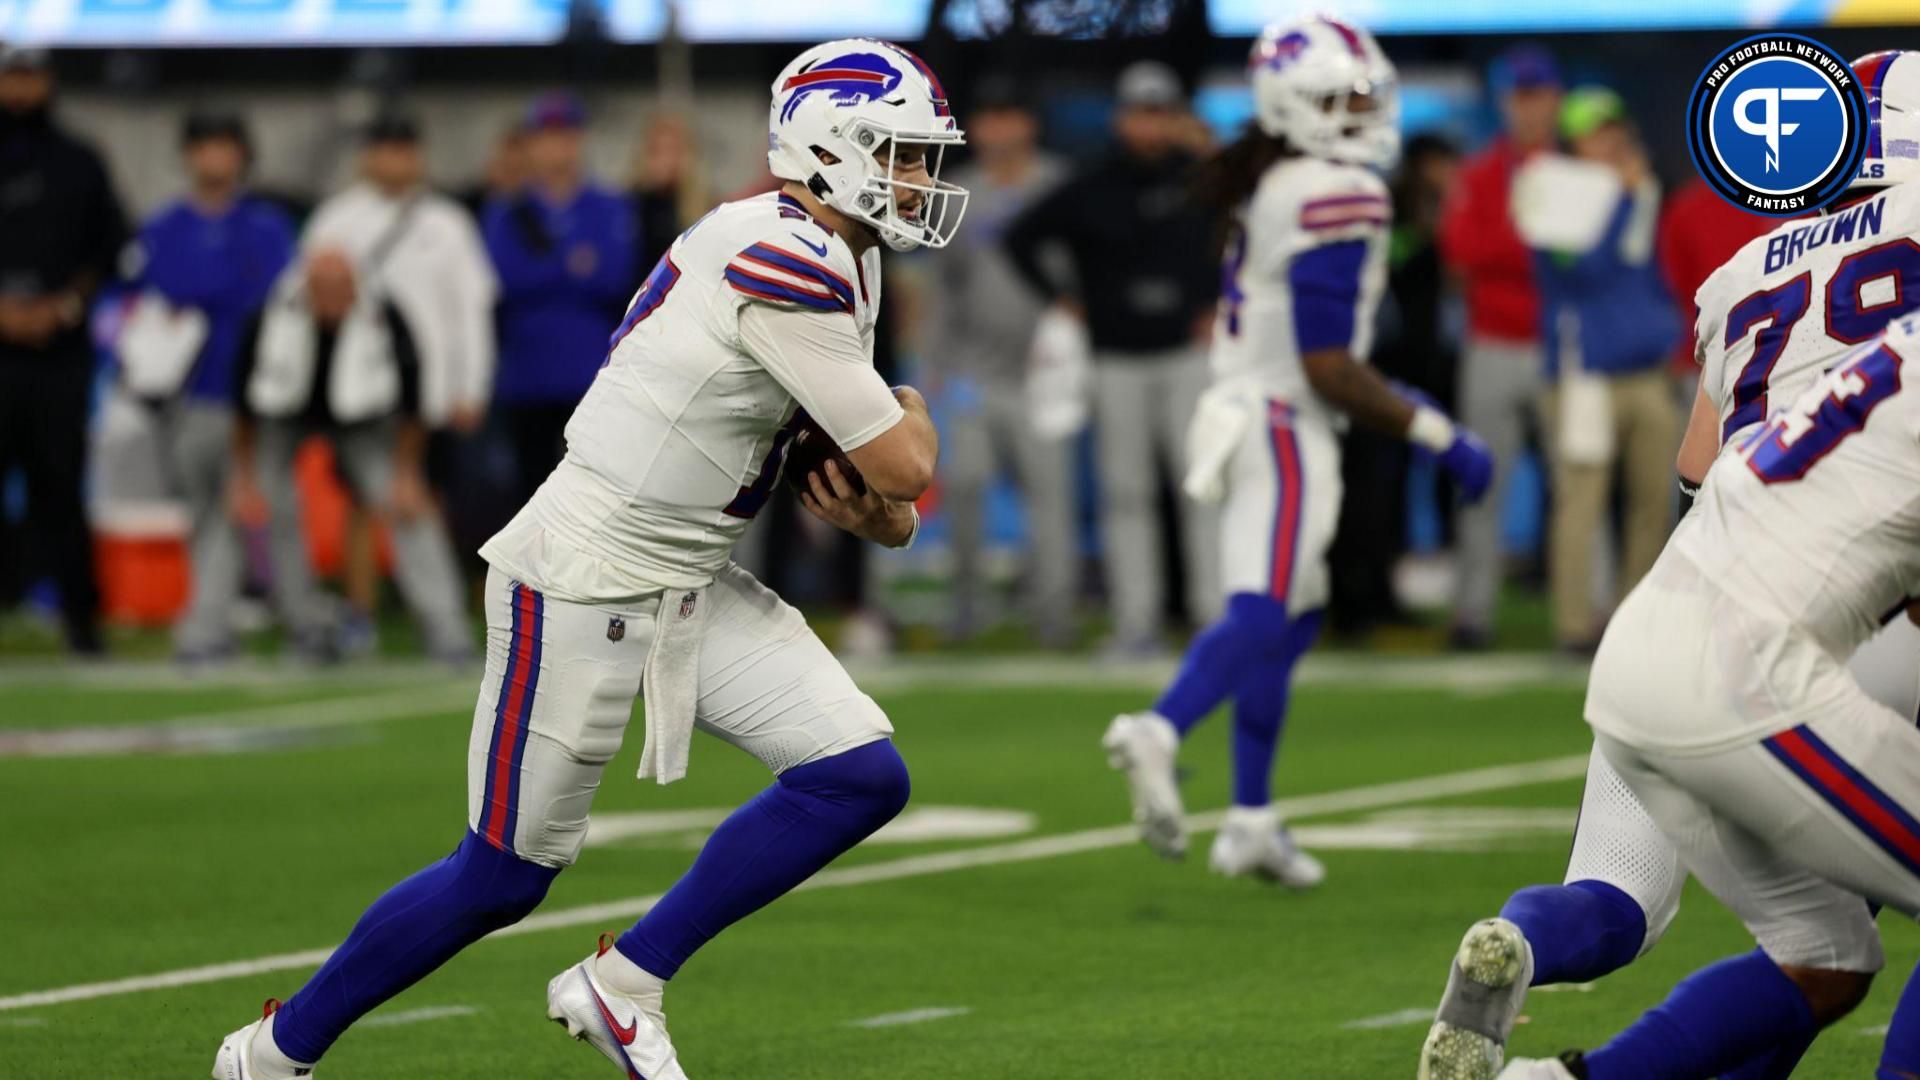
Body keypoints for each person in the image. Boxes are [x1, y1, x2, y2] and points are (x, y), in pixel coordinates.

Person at [212, 37, 965, 1080]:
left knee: (856, 776)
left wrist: (888, 517)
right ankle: (272, 1051)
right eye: (903, 154)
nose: (921, 180)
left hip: (687, 570)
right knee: (500, 878)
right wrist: (912, 432)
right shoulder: (783, 253)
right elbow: (901, 452)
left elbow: (851, 474)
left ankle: (625, 983)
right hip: (585, 573)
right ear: (831, 146)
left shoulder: (841, 248)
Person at [1419, 50, 1920, 1080]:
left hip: (1670, 619)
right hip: (1816, 651)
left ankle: (1547, 1027)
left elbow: (1697, 486)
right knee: (1826, 943)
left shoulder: (1745, 274)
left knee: (1789, 950)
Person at [1101, 17, 1492, 885]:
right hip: (1280, 420)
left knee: (1293, 615)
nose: (1358, 111)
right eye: (1338, 97)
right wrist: (1435, 430)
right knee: (1265, 609)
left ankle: (1250, 819)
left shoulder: (1279, 172)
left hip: (1256, 407)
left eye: (1363, 94)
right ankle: (1158, 730)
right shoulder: (1335, 189)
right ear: (1293, 105)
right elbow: (1325, 363)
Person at [1004, 59, 1220, 656]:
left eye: (1160, 113)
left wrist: (1221, 300)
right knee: (1127, 496)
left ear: (1175, 118)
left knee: (1199, 485)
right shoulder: (1092, 181)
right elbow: (1020, 236)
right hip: (1116, 357)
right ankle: (1137, 623)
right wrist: (1063, 301)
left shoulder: (1203, 177)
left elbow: (1247, 232)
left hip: (1186, 354)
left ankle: (1212, 618)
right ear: (1123, 118)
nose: (1149, 126)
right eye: (1140, 114)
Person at [230, 250, 472, 664]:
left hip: (365, 422)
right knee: (274, 505)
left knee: (407, 507)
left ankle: (447, 630)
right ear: (306, 287)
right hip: (285, 417)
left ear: (355, 287)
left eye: (339, 290)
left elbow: (414, 402)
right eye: (321, 290)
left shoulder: (383, 315)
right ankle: (304, 624)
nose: (330, 300)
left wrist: (407, 473)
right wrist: (244, 476)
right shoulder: (270, 315)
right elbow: (244, 405)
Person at [117, 110, 296, 663]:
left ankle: (216, 627)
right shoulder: (165, 224)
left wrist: (199, 297)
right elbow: (150, 292)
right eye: (204, 146)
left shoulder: (265, 225)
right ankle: (235, 621)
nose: (214, 159)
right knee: (204, 512)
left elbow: (270, 296)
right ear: (188, 155)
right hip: (186, 392)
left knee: (259, 508)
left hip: (255, 391)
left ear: (242, 155)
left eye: (224, 146)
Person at [925, 74, 1077, 645]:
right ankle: (966, 614)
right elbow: (944, 288)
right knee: (963, 491)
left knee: (1050, 497)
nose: (999, 128)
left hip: (1044, 373)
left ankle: (1055, 618)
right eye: (989, 116)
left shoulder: (1059, 185)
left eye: (1009, 114)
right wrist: (935, 369)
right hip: (975, 371)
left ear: (1028, 123)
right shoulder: (958, 194)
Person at [1531, 87, 1681, 652]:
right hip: (1584, 372)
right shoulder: (1551, 190)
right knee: (1581, 503)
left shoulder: (1637, 190)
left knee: (1652, 500)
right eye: (1596, 130)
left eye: (1615, 128)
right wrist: (1626, 198)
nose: (1611, 139)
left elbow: (1644, 269)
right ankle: (1574, 626)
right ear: (1573, 140)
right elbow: (1585, 271)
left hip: (1645, 369)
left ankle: (1632, 620)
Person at [0, 44, 126, 655]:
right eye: (10, 77)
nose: (19, 90)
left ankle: (82, 622)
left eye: (29, 77)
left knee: (60, 484)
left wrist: (61, 307)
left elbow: (108, 250)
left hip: (58, 355)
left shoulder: (79, 161)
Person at [1441, 44, 1560, 650]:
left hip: (1563, 347)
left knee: (1578, 486)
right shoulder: (1482, 173)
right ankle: (1472, 615)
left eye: (1538, 94)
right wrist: (1532, 249)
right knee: (1481, 481)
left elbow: (1585, 262)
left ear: (1555, 100)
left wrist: (1516, 249)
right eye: (1520, 95)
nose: (1529, 107)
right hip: (1491, 342)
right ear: (1504, 102)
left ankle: (1585, 618)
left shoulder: (1576, 170)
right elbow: (1461, 256)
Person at [484, 92, 640, 507]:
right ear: (531, 145)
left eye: (566, 136)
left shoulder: (609, 205)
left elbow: (614, 278)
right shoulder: (507, 211)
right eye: (547, 137)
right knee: (528, 497)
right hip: (526, 377)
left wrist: (545, 269)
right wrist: (569, 266)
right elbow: (505, 279)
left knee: (594, 497)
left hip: (591, 375)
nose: (557, 147)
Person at [629, 112, 712, 278]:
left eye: (673, 150)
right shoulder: (629, 206)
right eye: (657, 151)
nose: (665, 160)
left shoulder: (706, 212)